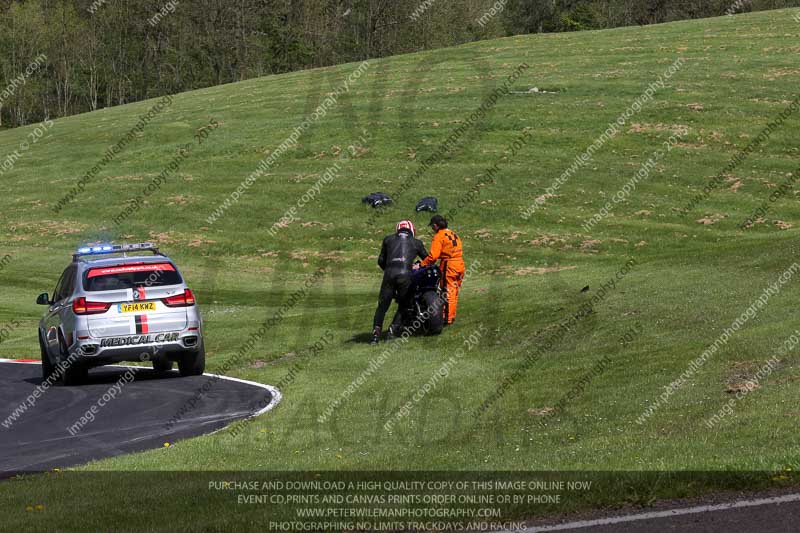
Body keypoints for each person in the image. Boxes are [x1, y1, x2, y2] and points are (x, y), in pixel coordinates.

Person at [370, 220, 428, 345]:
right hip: (406, 276)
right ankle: (392, 330)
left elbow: (380, 261)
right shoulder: (417, 242)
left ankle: (375, 335)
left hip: (389, 275)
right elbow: (428, 260)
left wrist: (389, 269)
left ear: (398, 229)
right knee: (404, 305)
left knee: (382, 306)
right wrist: (418, 265)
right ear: (412, 230)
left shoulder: (388, 239)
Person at [419, 215, 465, 326]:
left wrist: (421, 264)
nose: (432, 229)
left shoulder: (439, 236)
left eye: (432, 226)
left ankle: (446, 318)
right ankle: (451, 316)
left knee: (447, 292)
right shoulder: (453, 234)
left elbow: (433, 256)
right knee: (454, 291)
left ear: (436, 225)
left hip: (449, 265)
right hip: (460, 263)